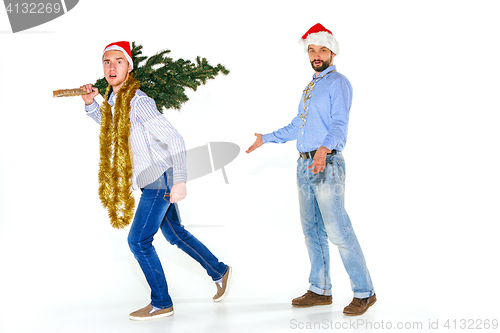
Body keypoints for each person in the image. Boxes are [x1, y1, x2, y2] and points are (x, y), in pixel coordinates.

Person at [80, 41, 231, 321]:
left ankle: (161, 302)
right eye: (106, 62)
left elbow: (174, 138)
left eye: (118, 61)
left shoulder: (138, 101)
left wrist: (181, 180)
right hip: (153, 179)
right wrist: (91, 105)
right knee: (175, 234)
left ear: (129, 66)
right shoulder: (115, 102)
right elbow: (111, 126)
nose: (112, 67)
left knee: (138, 241)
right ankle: (219, 270)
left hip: (160, 180)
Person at [246, 24, 375, 316]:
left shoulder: (338, 82)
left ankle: (365, 292)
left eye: (322, 50)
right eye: (312, 50)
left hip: (326, 163)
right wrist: (266, 138)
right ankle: (320, 289)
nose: (317, 55)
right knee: (311, 231)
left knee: (338, 230)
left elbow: (339, 124)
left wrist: (323, 149)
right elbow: (298, 125)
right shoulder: (311, 85)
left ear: (332, 52)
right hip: (304, 164)